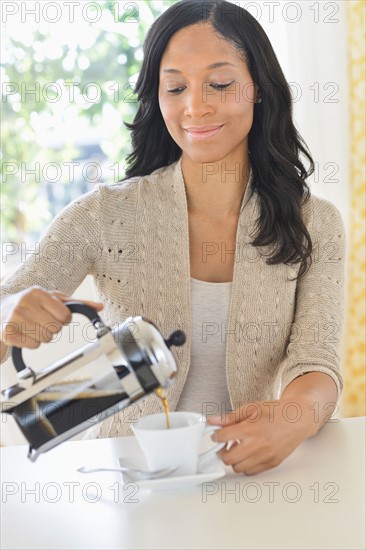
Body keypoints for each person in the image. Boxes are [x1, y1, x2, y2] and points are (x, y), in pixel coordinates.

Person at [0, 0, 346, 475]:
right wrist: (8, 317)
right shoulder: (104, 215)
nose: (195, 106)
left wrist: (293, 420)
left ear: (259, 89)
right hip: (128, 484)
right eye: (176, 87)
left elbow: (317, 361)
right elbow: (9, 306)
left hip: (249, 478)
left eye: (219, 84)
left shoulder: (316, 222)